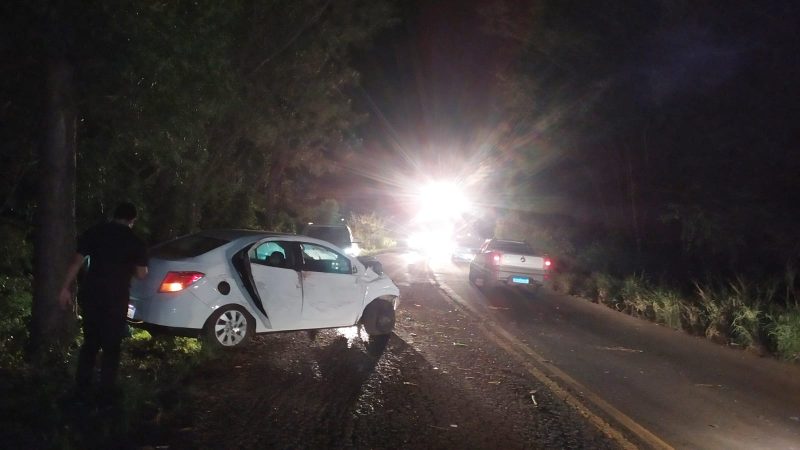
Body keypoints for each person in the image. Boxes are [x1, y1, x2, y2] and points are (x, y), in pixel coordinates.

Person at [59, 202, 148, 404]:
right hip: (116, 298)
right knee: (112, 345)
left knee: (90, 342)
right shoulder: (135, 241)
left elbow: (76, 261)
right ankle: (106, 392)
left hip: (92, 294)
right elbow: (142, 274)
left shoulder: (95, 232)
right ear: (132, 220)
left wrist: (64, 288)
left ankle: (81, 389)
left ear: (114, 215)